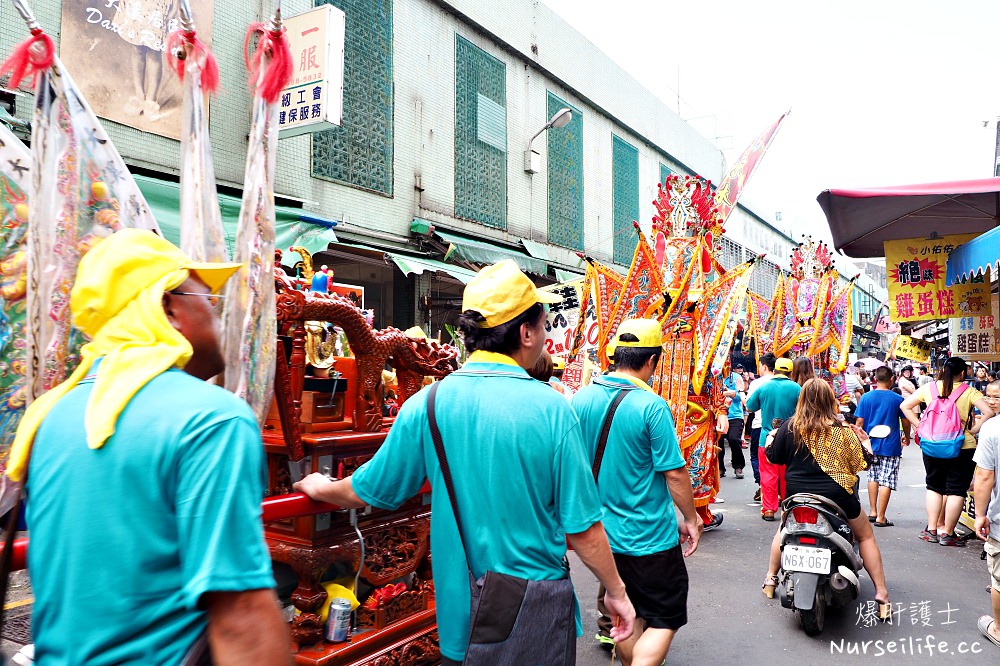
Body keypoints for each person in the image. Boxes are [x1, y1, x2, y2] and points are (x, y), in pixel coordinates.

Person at [294, 260, 635, 664]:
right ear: (525, 332)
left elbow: (371, 489)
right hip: (535, 605)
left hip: (464, 612)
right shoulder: (552, 408)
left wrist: (321, 488)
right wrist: (616, 592)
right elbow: (583, 528)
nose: (545, 339)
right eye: (543, 328)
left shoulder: (428, 404)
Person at [7, 229, 289, 664]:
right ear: (168, 307)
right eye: (208, 302)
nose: (219, 319)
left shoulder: (48, 413)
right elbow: (242, 617)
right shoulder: (212, 418)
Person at [571, 318, 702, 666]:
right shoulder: (651, 406)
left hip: (602, 537)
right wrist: (691, 518)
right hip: (648, 539)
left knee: (624, 615)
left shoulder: (581, 398)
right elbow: (674, 473)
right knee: (664, 617)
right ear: (652, 361)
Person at [762, 379, 890, 619]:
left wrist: (771, 438)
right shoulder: (842, 431)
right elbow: (862, 463)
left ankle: (770, 579)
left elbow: (773, 458)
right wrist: (864, 441)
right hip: (838, 498)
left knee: (783, 529)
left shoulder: (789, 427)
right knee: (865, 535)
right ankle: (881, 594)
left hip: (797, 497)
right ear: (831, 401)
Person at [901, 356, 996, 547]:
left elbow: (905, 405)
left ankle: (932, 529)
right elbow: (989, 412)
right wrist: (972, 430)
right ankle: (948, 533)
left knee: (934, 486)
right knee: (956, 489)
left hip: (932, 443)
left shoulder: (930, 388)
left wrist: (920, 426)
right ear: (962, 373)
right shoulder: (969, 391)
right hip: (962, 446)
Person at [745, 356, 801, 521]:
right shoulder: (796, 388)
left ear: (775, 369)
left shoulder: (764, 387)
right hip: (790, 438)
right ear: (790, 372)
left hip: (766, 438)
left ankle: (769, 510)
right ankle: (787, 507)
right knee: (787, 474)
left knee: (768, 474)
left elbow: (749, 407)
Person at [854, 366, 908, 526]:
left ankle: (873, 511)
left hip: (870, 444)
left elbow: (859, 422)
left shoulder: (866, 398)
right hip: (891, 444)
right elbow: (905, 421)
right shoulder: (897, 399)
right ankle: (881, 517)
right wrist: (905, 435)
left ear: (875, 379)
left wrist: (860, 439)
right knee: (887, 479)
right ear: (892, 379)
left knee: (873, 477)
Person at [974, 379, 1000, 648]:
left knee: (999, 578)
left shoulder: (992, 428)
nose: (992, 401)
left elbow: (984, 476)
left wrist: (980, 514)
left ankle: (999, 629)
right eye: (989, 396)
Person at [745, 353, 777, 502]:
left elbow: (750, 406)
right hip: (784, 428)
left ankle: (764, 488)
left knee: (760, 460)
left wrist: (740, 392)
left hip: (761, 426)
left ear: (764, 366)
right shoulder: (791, 383)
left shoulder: (757, 384)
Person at [720, 363, 746, 479]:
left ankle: (738, 466)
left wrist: (726, 391)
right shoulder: (713, 377)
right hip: (718, 414)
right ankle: (720, 468)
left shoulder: (736, 377)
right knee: (718, 442)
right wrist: (729, 392)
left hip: (734, 415)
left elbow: (739, 395)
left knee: (734, 439)